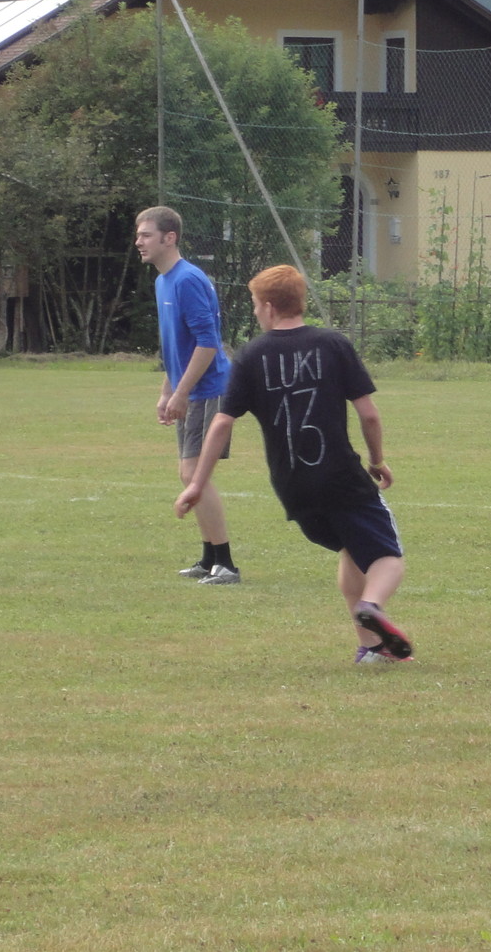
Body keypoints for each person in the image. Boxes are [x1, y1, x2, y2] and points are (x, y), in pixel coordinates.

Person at [175, 265, 412, 664]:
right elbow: (369, 415)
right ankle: (371, 605)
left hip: (293, 488)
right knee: (388, 557)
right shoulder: (333, 344)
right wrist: (377, 460)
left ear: (268, 307)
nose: (254, 312)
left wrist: (197, 484)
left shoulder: (251, 355)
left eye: (254, 305)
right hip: (341, 478)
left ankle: (370, 648)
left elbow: (221, 423)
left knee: (352, 551)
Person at [134, 206, 239, 584]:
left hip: (210, 390)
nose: (138, 242)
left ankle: (225, 564)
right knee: (189, 472)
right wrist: (167, 392)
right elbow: (175, 346)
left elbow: (208, 344)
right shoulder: (163, 281)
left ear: (169, 237)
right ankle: (210, 559)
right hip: (190, 391)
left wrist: (182, 393)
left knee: (195, 472)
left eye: (146, 235)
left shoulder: (187, 280)